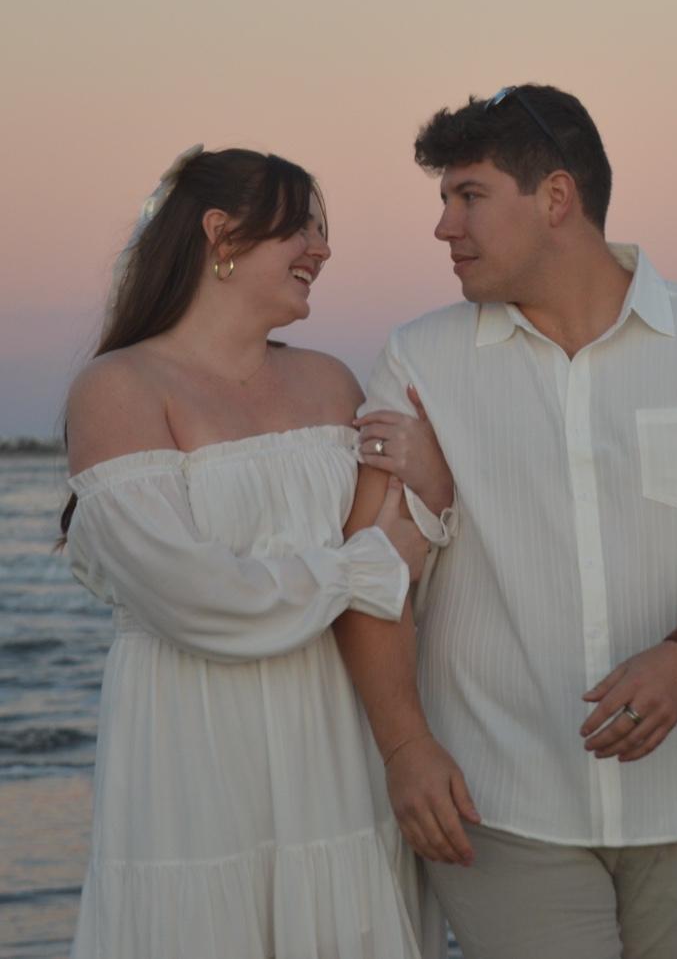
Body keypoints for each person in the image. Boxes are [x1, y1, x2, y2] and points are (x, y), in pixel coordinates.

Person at [336, 86, 677, 959]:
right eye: (444, 200)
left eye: (469, 196)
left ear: (556, 197)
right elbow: (373, 576)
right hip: (495, 798)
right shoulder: (420, 360)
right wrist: (405, 747)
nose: (444, 227)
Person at [62, 145, 430, 959]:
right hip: (193, 736)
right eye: (302, 228)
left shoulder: (332, 382)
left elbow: (407, 537)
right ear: (221, 234)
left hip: (331, 727)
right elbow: (194, 595)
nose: (323, 250)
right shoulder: (119, 388)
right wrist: (364, 569)